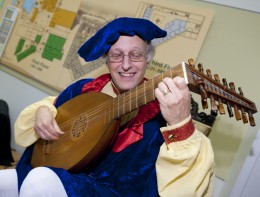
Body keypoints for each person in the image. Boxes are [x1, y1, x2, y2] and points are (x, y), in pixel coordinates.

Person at [0, 17, 215, 196]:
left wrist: (179, 123)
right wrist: (43, 111)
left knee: (40, 180)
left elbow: (185, 185)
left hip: (110, 191)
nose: (126, 64)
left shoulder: (166, 108)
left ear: (148, 59)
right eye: (117, 55)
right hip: (60, 172)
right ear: (106, 60)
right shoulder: (85, 88)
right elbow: (56, 105)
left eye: (136, 54)